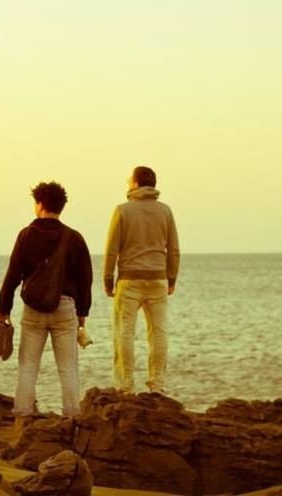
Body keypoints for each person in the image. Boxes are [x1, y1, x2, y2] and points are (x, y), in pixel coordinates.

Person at [0, 182, 93, 419]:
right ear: (61, 207)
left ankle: (22, 414)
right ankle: (72, 416)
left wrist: (3, 309)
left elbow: (13, 275)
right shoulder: (74, 238)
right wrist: (83, 312)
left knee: (28, 366)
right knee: (68, 367)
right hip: (65, 307)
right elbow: (85, 279)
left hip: (33, 308)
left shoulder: (26, 235)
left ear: (39, 204)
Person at [103, 165, 180, 394]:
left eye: (129, 180)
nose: (128, 183)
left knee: (125, 331)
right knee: (158, 332)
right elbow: (174, 248)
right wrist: (172, 277)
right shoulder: (165, 211)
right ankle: (157, 383)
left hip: (129, 279)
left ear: (136, 184)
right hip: (158, 279)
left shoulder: (122, 210)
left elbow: (111, 250)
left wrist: (108, 279)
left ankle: (126, 385)